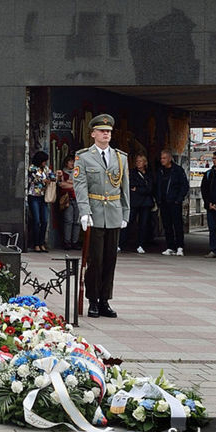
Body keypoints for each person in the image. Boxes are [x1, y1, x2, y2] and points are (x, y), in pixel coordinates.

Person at [73, 113, 129, 318]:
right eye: (102, 131)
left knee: (110, 259)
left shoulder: (120, 157)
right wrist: (84, 212)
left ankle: (105, 300)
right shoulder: (84, 157)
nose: (106, 134)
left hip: (113, 213)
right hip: (95, 213)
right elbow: (80, 186)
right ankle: (93, 300)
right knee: (95, 260)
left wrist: (125, 213)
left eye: (109, 132)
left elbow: (125, 188)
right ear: (93, 133)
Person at [156, 149, 189, 256]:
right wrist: (158, 199)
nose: (162, 160)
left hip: (174, 202)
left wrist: (179, 199)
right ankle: (170, 246)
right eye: (161, 158)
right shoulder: (160, 171)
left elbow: (184, 186)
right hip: (164, 202)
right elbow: (157, 186)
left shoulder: (178, 170)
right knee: (167, 225)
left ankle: (180, 247)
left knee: (177, 225)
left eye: (164, 158)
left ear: (170, 159)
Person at [120, 154, 154, 254]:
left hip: (146, 203)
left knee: (143, 224)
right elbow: (131, 186)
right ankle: (121, 244)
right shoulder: (132, 173)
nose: (138, 163)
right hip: (134, 202)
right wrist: (143, 188)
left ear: (145, 163)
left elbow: (150, 188)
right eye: (137, 161)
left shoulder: (149, 174)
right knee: (128, 222)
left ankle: (141, 244)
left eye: (140, 161)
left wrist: (138, 189)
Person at [27, 150, 55, 252]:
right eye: (43, 161)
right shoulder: (32, 168)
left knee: (45, 220)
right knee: (37, 220)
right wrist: (45, 180)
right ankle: (36, 243)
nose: (45, 163)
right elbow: (35, 179)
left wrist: (53, 177)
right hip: (34, 195)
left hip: (43, 197)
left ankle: (42, 242)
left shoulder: (46, 169)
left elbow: (52, 176)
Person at [56, 154, 80, 250]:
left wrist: (70, 183)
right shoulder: (62, 173)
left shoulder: (77, 173)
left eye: (73, 161)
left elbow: (80, 185)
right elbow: (62, 185)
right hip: (67, 199)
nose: (72, 163)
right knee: (68, 220)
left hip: (78, 198)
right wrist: (73, 184)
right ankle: (67, 242)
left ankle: (75, 241)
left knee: (77, 222)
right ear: (66, 162)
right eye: (70, 161)